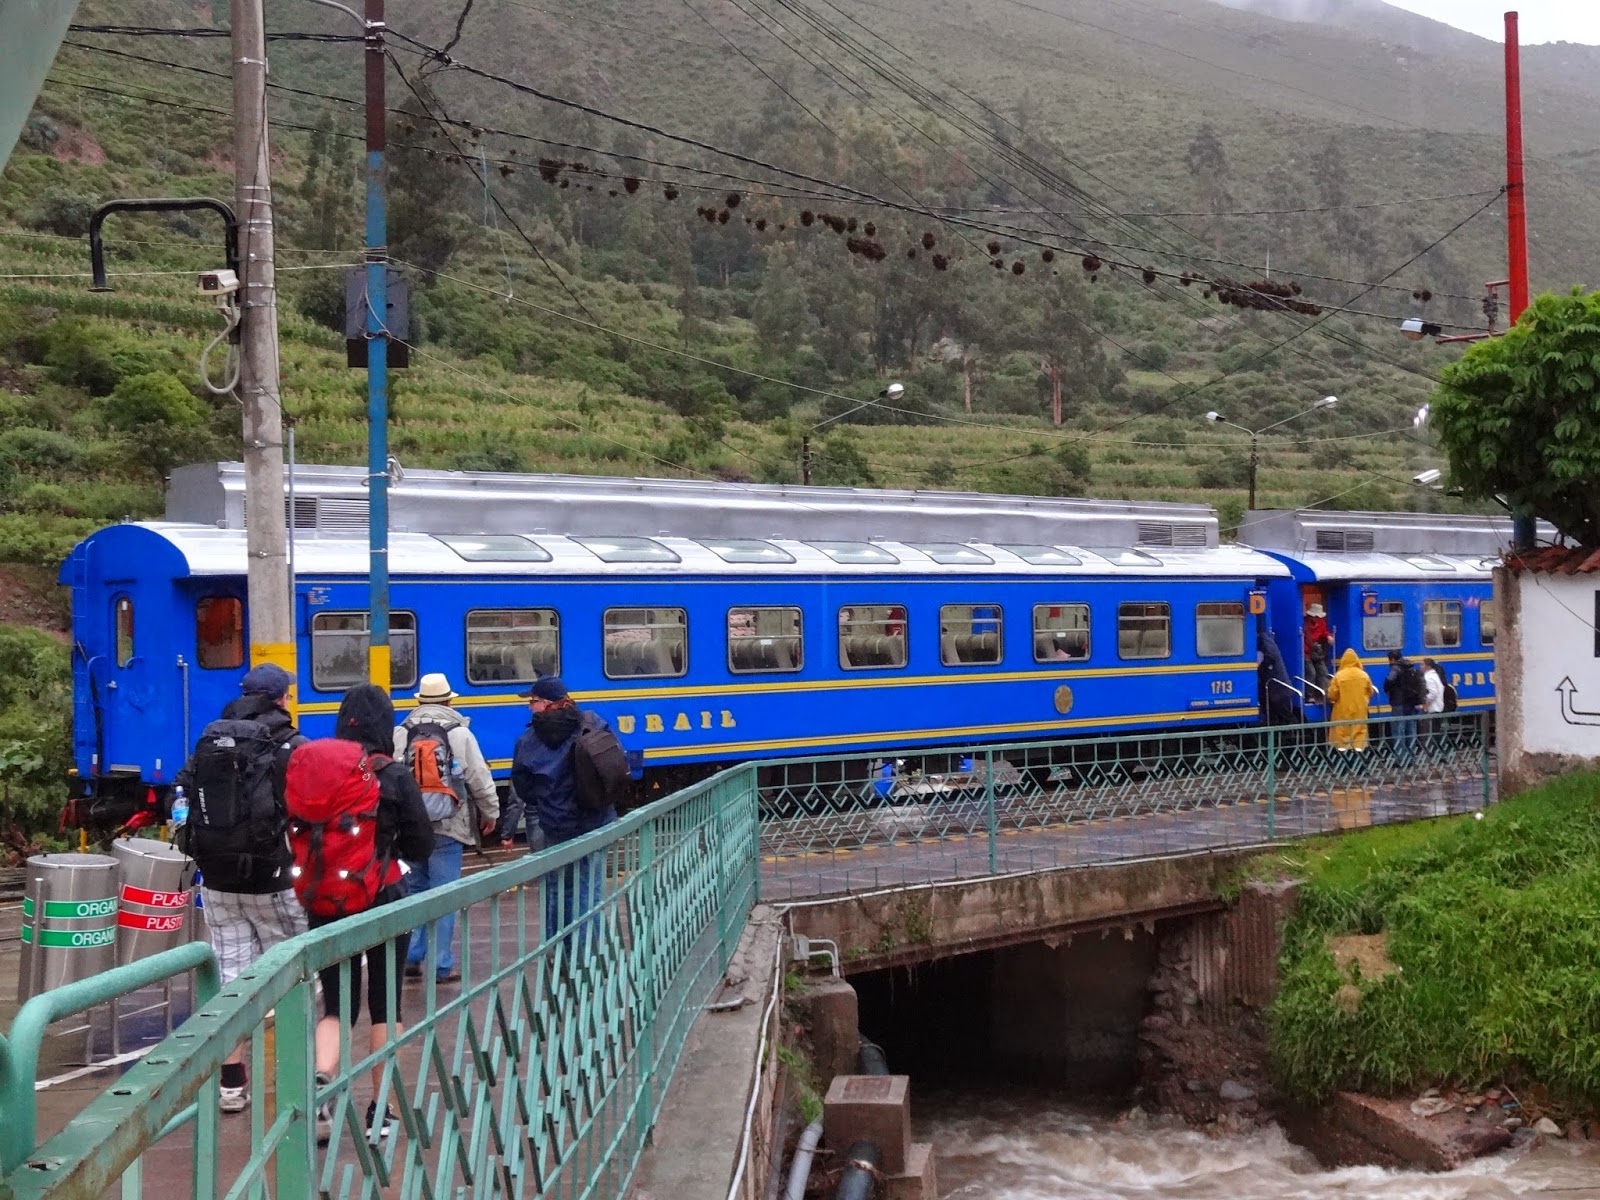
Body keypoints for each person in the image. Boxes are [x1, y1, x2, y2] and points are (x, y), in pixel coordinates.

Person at [174, 662, 307, 1115]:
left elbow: (182, 795)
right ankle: (297, 1079)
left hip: (216, 880)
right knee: (295, 978)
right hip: (274, 880)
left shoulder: (209, 742)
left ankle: (231, 1084)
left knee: (232, 981)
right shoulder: (289, 744)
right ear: (282, 698)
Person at [305, 685, 434, 1142]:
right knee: (386, 1006)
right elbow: (422, 846)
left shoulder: (319, 773)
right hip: (383, 901)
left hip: (325, 903)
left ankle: (322, 1080)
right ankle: (383, 1113)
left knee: (336, 1005)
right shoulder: (393, 775)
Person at [394, 673, 499, 984]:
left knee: (415, 891)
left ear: (420, 701)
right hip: (448, 825)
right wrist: (491, 811)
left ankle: (412, 958)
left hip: (410, 827)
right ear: (448, 700)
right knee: (445, 894)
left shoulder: (400, 732)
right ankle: (440, 966)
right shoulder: (459, 734)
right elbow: (479, 777)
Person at [510, 677, 618, 945]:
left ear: (547, 704)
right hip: (596, 820)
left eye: (532, 702)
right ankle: (588, 955)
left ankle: (559, 950)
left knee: (556, 889)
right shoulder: (593, 726)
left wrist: (549, 800)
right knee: (589, 888)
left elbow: (523, 788)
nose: (529, 707)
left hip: (556, 825)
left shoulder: (528, 741)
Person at [1326, 648, 1376, 753]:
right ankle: (1358, 758)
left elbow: (1332, 695)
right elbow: (1370, 692)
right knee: (1359, 732)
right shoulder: (1364, 675)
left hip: (1342, 710)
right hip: (1360, 709)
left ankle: (1344, 760)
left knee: (1342, 733)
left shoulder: (1339, 676)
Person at [1383, 649, 1425, 762]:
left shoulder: (1395, 668)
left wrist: (1388, 691)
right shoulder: (1411, 667)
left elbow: (1388, 681)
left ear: (1392, 659)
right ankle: (1411, 758)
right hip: (1411, 703)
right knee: (1411, 730)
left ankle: (1400, 758)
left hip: (1398, 703)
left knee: (1398, 731)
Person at [1258, 629, 1296, 725]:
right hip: (1274, 687)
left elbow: (1271, 657)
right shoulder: (1265, 640)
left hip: (1277, 688)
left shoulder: (1263, 640)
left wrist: (1259, 667)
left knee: (1283, 714)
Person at [1303, 603, 1333, 701]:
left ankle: (1327, 694)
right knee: (1311, 673)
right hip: (1306, 652)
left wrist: (1328, 636)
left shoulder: (1321, 623)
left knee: (1324, 672)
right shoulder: (1304, 624)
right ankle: (1309, 695)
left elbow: (1324, 632)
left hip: (1316, 652)